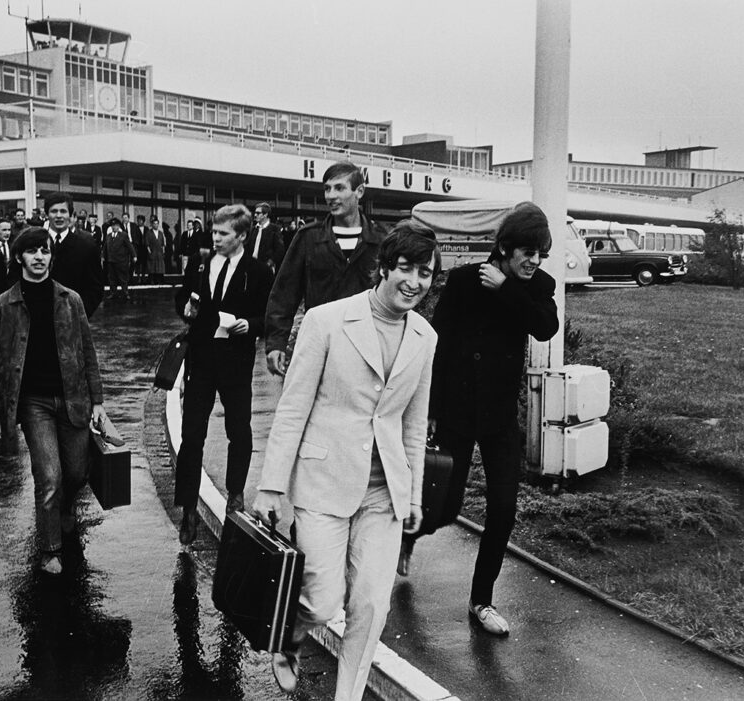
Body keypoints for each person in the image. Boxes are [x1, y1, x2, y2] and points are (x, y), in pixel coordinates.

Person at [252, 223, 440, 701]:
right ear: (383, 268)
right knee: (320, 601)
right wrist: (273, 485)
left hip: (384, 493)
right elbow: (293, 406)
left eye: (425, 273)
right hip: (323, 479)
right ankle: (291, 635)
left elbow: (414, 425)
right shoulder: (326, 320)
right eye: (405, 268)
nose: (414, 281)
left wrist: (413, 495)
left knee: (372, 607)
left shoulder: (425, 336)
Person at [398, 202, 559, 637]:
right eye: (527, 252)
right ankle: (409, 536)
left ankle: (481, 600)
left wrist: (507, 288)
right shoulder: (466, 281)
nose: (535, 261)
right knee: (446, 506)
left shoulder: (536, 285)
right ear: (505, 247)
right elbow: (440, 345)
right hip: (457, 409)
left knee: (504, 509)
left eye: (540, 253)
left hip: (500, 415)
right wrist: (429, 409)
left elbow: (546, 327)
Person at [0, 227, 107, 576]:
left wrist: (98, 401)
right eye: (32, 251)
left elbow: (88, 353)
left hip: (73, 399)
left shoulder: (71, 300)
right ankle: (50, 549)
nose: (39, 257)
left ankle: (65, 508)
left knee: (77, 472)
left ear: (52, 256)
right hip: (33, 403)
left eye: (45, 251)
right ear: (19, 256)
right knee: (49, 475)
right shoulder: (0, 307)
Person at [175, 204, 273, 544]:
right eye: (214, 232)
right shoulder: (200, 263)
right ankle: (187, 507)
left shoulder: (258, 271)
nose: (215, 238)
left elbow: (267, 317)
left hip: (235, 360)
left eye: (223, 233)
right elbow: (182, 299)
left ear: (242, 235)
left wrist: (252, 325)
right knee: (192, 435)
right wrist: (185, 308)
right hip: (201, 358)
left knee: (239, 430)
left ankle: (235, 494)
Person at [265, 161, 386, 377]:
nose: (330, 195)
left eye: (339, 188)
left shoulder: (381, 240)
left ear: (359, 191)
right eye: (327, 189)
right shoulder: (308, 237)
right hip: (321, 348)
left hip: (370, 349)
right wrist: (276, 343)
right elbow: (284, 293)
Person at [42, 191, 104, 317]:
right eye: (54, 211)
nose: (59, 216)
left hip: (72, 320)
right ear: (47, 214)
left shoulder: (86, 246)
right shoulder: (34, 243)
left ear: (70, 214)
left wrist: (80, 315)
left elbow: (95, 287)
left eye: (63, 211)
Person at [245, 202, 286, 273]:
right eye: (255, 213)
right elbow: (248, 247)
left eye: (258, 213)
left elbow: (280, 250)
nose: (255, 215)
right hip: (252, 266)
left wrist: (269, 263)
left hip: (266, 267)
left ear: (265, 214)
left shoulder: (274, 229)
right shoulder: (253, 229)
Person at [103, 218, 136, 301]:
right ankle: (113, 293)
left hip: (121, 261)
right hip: (111, 261)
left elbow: (130, 246)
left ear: (118, 226)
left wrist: (134, 256)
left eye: (116, 226)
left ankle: (125, 293)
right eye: (113, 226)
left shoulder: (123, 235)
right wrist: (103, 256)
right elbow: (105, 247)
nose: (114, 227)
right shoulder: (109, 236)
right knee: (112, 278)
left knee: (123, 278)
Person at [145, 215, 165, 283]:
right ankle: (151, 281)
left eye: (157, 224)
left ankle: (159, 281)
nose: (156, 225)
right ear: (152, 224)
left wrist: (163, 252)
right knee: (152, 267)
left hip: (159, 253)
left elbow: (162, 244)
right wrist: (149, 252)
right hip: (152, 252)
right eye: (154, 224)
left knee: (159, 267)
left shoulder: (160, 233)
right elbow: (147, 244)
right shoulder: (149, 233)